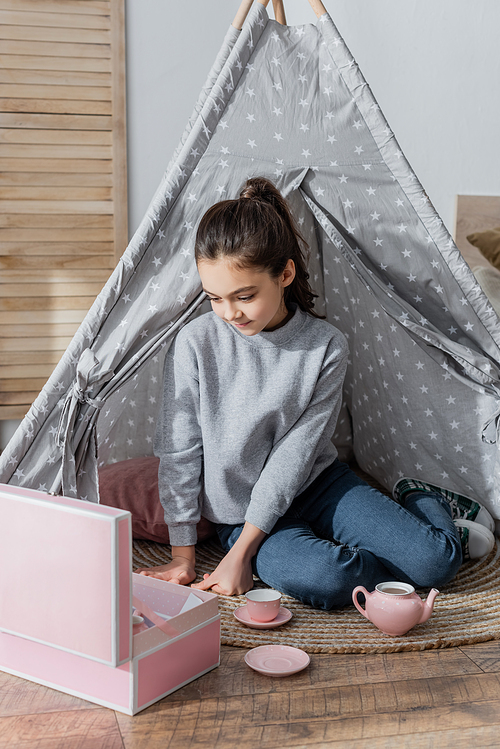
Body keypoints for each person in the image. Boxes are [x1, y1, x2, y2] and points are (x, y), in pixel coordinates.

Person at [138, 177, 495, 610]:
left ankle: (422, 498)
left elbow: (294, 456)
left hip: (317, 483)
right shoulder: (195, 344)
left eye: (244, 296)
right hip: (242, 511)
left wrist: (241, 554)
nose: (229, 313)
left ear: (285, 273)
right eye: (214, 298)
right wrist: (184, 556)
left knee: (435, 563)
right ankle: (377, 554)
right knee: (327, 580)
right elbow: (179, 450)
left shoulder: (325, 346)